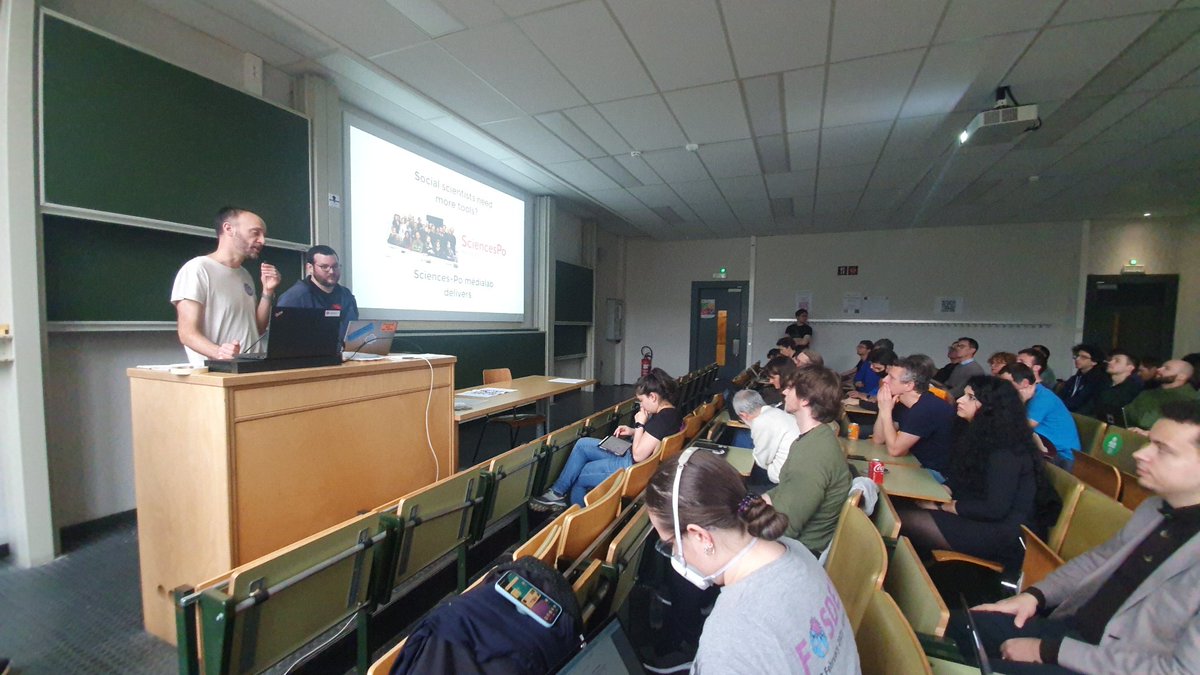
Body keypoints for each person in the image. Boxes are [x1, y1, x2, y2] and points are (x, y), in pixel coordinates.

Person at [962, 401, 1200, 674]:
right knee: (964, 625)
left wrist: (1049, 651)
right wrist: (1034, 596)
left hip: (1116, 663)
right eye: (1149, 442)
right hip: (1075, 631)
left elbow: (1181, 671)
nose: (1141, 454)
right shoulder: (1155, 507)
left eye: (1163, 450)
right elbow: (1098, 560)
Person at [645, 450, 860, 674]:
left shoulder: (728, 643)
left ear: (701, 536)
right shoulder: (795, 549)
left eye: (670, 545)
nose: (675, 555)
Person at [896, 376, 1055, 571]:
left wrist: (942, 506)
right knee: (901, 508)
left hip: (1004, 533)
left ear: (991, 407)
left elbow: (995, 508)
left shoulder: (1006, 450)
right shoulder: (981, 436)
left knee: (899, 520)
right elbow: (964, 478)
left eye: (971, 397)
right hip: (980, 516)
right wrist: (945, 491)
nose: (960, 400)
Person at [533, 368, 681, 508]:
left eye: (641, 400)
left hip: (631, 464)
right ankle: (557, 493)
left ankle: (580, 520)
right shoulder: (671, 414)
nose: (641, 405)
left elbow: (638, 455)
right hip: (632, 455)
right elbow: (654, 438)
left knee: (582, 474)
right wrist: (632, 431)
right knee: (582, 444)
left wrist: (639, 424)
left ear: (653, 397)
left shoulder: (663, 419)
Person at [171, 207, 280, 366]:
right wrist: (220, 353)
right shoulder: (198, 269)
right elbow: (187, 333)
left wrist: (267, 292)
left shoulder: (245, 275)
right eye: (255, 233)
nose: (262, 240)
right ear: (229, 229)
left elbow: (257, 330)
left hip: (249, 370)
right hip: (217, 375)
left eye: (263, 235)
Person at [766, 366, 852, 555]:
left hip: (798, 552)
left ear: (805, 400)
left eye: (791, 388)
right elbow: (786, 487)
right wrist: (751, 503)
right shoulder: (817, 436)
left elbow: (784, 528)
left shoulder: (812, 455)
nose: (784, 391)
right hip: (795, 543)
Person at [871, 354, 957, 478]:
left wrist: (885, 412)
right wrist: (883, 407)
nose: (884, 380)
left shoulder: (926, 407)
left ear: (909, 385)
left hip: (935, 474)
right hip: (914, 465)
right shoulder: (902, 404)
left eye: (891, 378)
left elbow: (895, 450)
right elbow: (879, 439)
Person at [1000, 363, 1080, 469]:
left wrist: (1021, 401)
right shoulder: (1025, 395)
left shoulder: (1043, 397)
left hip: (1060, 456)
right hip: (1043, 448)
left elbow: (1020, 428)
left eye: (1007, 383)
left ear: (1025, 383)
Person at [275, 244, 359, 341]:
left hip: (345, 354)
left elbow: (353, 330)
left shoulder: (346, 295)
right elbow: (282, 338)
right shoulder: (295, 297)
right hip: (308, 354)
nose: (331, 271)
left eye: (335, 266)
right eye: (324, 267)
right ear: (310, 268)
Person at [732, 389, 798, 486]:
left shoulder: (761, 422)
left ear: (743, 415)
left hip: (784, 478)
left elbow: (761, 461)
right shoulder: (776, 412)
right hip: (798, 470)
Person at [1124, 359, 1197, 431]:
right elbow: (1127, 415)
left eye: (1167, 368)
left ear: (1181, 376)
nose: (1159, 369)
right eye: (1161, 367)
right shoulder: (1147, 393)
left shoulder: (1191, 400)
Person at [1089, 349, 1142, 423]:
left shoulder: (1134, 389)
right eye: (1111, 360)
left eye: (1117, 361)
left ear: (1129, 368)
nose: (1110, 362)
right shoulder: (1102, 383)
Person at [1057, 344, 1109, 413]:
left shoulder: (1098, 381)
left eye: (1083, 357)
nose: (1077, 359)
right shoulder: (1075, 378)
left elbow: (1084, 403)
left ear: (1094, 362)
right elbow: (1060, 396)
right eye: (1077, 356)